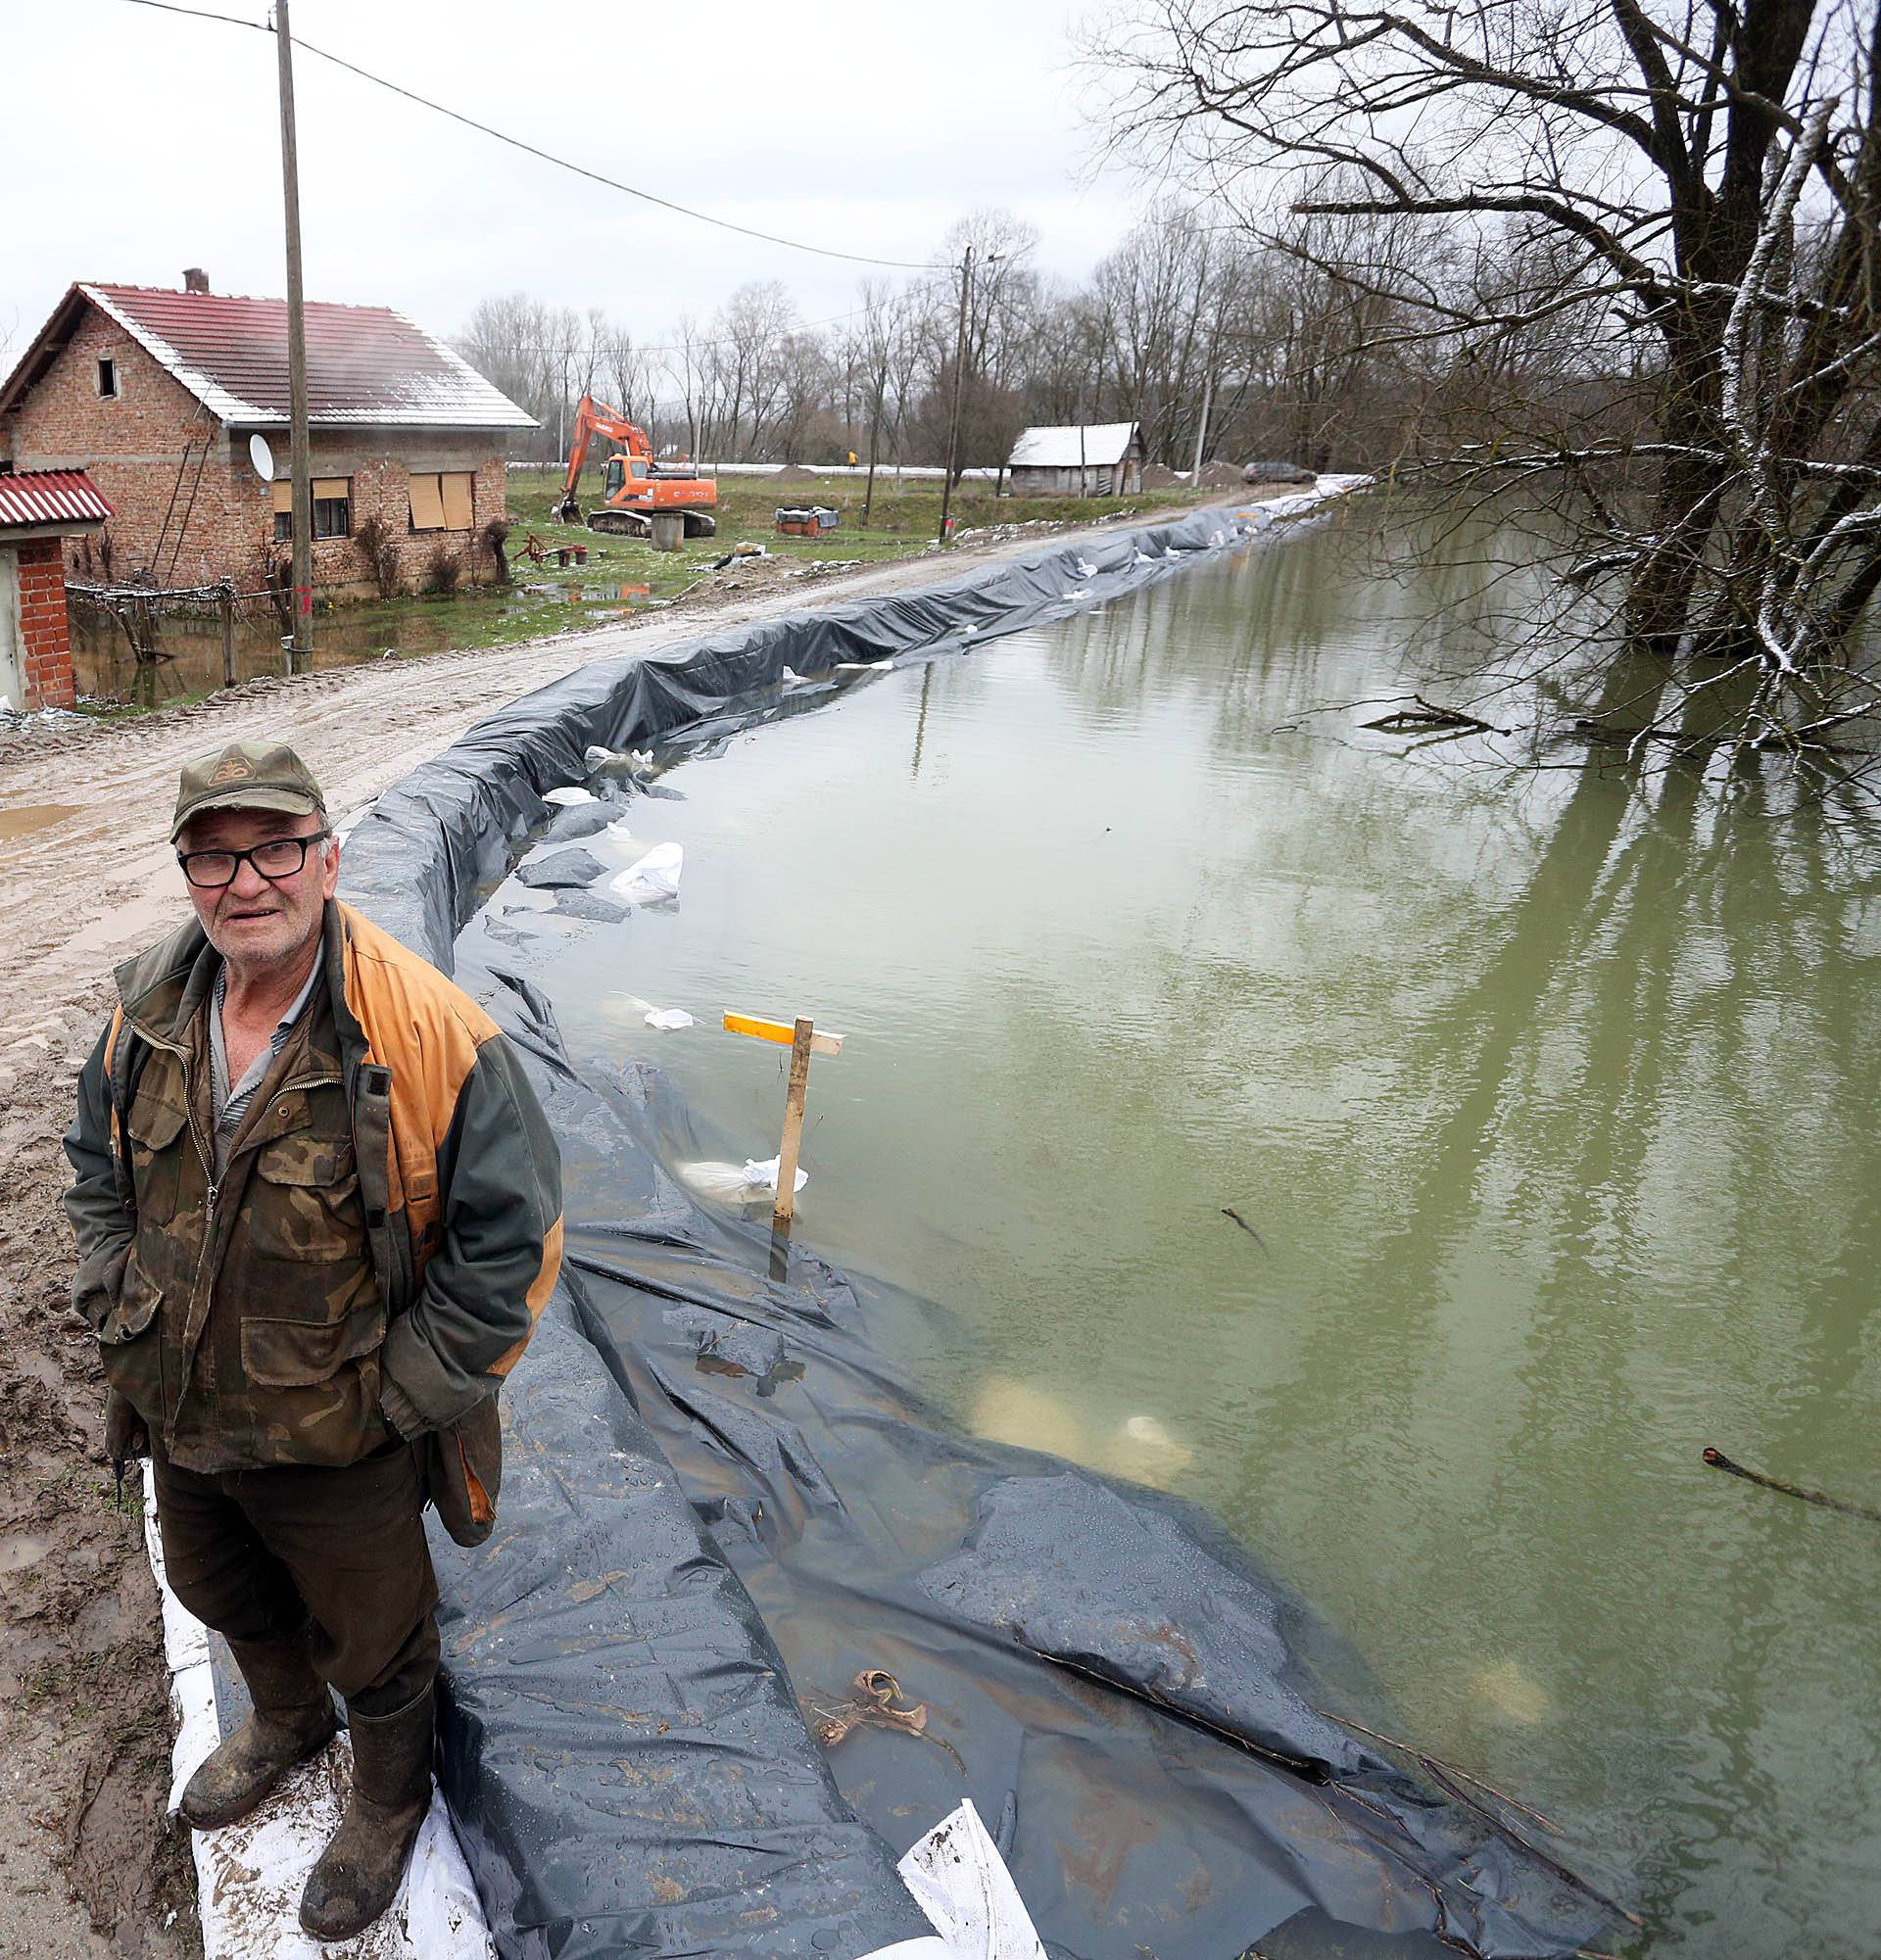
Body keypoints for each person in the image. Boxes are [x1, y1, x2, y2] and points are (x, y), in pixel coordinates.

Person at [64, 739, 562, 1941]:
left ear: (328, 858)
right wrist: (113, 1298)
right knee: (214, 1582)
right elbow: (96, 1171)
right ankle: (287, 1721)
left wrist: (403, 1395)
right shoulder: (147, 1012)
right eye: (213, 856)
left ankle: (386, 1805)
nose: (246, 882)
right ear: (187, 873)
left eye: (275, 849)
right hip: (182, 1405)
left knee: (378, 1638)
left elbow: (515, 1240)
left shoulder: (428, 1031)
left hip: (343, 1430)